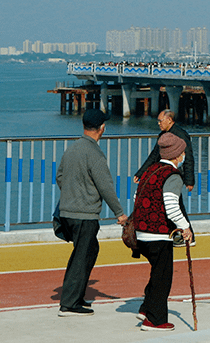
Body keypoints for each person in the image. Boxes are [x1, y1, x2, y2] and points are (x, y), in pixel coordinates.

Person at [56, 109, 128, 316]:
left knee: (88, 251)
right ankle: (69, 304)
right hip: (84, 214)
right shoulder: (94, 153)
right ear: (102, 128)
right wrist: (119, 212)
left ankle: (75, 296)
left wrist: (73, 194)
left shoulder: (72, 148)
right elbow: (105, 185)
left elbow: (60, 177)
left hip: (68, 212)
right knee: (82, 256)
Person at [132, 133, 194, 331]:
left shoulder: (151, 170)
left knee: (157, 272)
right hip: (158, 234)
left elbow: (136, 196)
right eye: (183, 152)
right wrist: (185, 227)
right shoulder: (172, 176)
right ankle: (155, 319)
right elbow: (171, 206)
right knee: (163, 276)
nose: (184, 155)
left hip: (140, 232)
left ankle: (146, 307)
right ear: (177, 155)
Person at [135, 109, 196, 193]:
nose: (159, 123)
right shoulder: (163, 135)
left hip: (175, 175)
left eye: (160, 121)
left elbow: (188, 157)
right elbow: (154, 156)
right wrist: (140, 173)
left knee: (173, 199)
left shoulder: (181, 135)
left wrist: (189, 181)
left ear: (169, 120)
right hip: (163, 174)